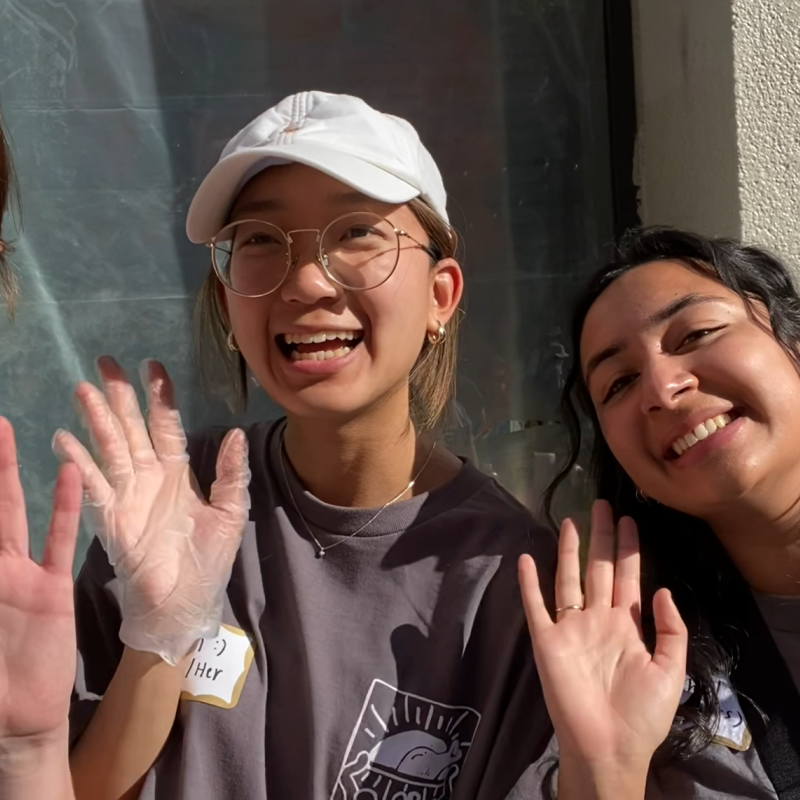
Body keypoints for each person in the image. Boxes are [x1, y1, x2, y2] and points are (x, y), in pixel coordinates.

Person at [57, 91, 576, 800]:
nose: (304, 282)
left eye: (358, 232)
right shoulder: (172, 504)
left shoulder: (512, 580)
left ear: (440, 296)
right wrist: (158, 639)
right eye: (261, 241)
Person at [532, 225, 800, 798]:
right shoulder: (643, 668)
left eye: (696, 333)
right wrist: (605, 771)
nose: (661, 386)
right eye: (619, 381)